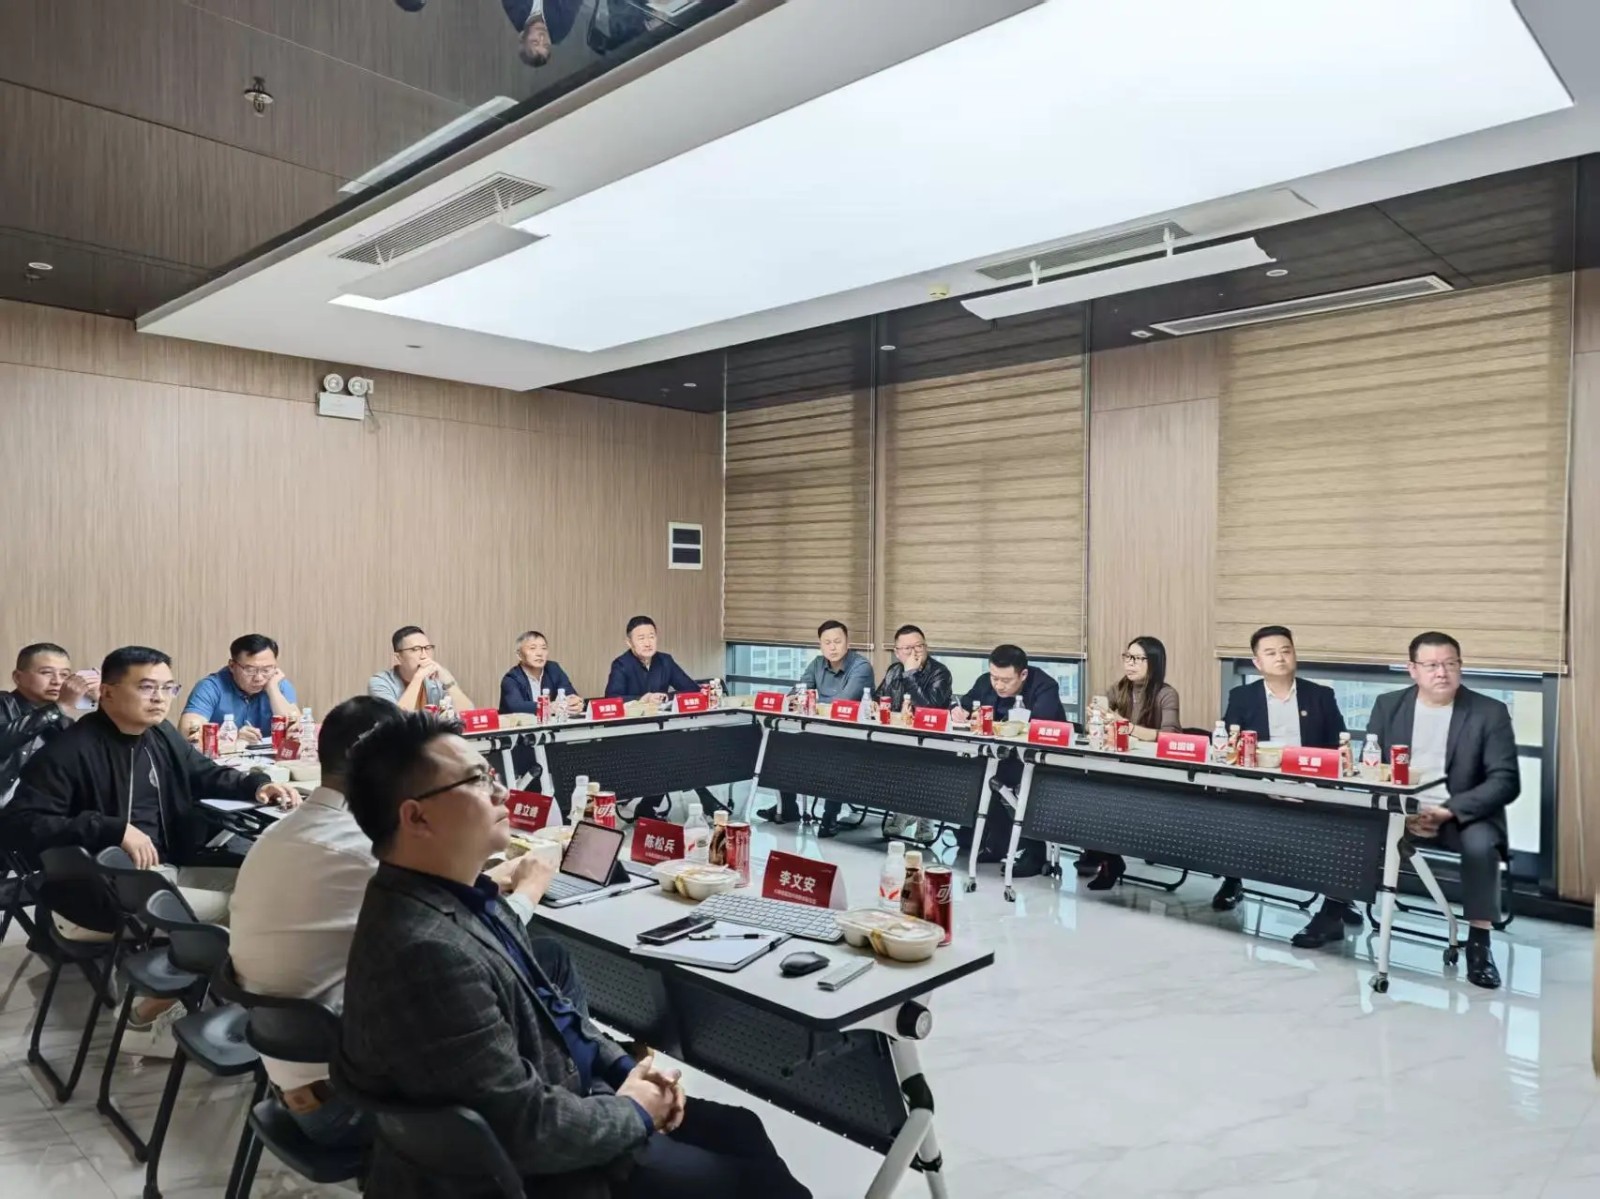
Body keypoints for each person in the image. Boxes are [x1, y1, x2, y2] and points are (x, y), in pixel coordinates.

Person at [335, 713, 810, 1198]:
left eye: (492, 775)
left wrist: (627, 1072)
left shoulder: (462, 897)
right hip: (548, 1169)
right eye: (477, 780)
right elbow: (526, 1129)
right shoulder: (426, 951)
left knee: (742, 1128)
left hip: (570, 1100)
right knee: (749, 1183)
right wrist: (636, 1110)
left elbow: (559, 1015)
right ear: (416, 817)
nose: (501, 792)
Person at [230, 695, 561, 1149]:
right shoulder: (367, 849)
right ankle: (566, 1112)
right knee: (544, 960)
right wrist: (527, 890)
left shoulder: (280, 832)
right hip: (354, 1107)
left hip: (294, 1082)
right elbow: (481, 939)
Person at [3, 646, 299, 1056]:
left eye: (168, 688)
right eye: (146, 687)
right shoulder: (71, 750)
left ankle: (214, 1002)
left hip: (162, 868)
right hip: (103, 888)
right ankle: (146, 1016)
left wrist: (256, 785)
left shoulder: (159, 735)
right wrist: (111, 828)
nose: (160, 698)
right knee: (252, 910)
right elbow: (21, 823)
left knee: (269, 888)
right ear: (107, 692)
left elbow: (203, 773)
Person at [1291, 632, 1518, 989]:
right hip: (1401, 810)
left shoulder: (1489, 711)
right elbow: (1372, 768)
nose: (1442, 672)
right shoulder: (1389, 705)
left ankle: (1479, 942)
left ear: (1460, 666)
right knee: (1348, 828)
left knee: (1482, 844)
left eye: (1450, 664)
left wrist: (1446, 811)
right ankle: (1333, 911)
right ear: (1412, 669)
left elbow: (1504, 780)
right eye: (1432, 665)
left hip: (1460, 814)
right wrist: (1402, 812)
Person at [1211, 625, 1348, 911]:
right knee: (1228, 804)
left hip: (1310, 782)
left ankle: (1338, 899)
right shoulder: (1242, 696)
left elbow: (1337, 747)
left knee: (1346, 819)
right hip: (1260, 783)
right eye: (1271, 653)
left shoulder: (1320, 696)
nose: (1280, 658)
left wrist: (1309, 784)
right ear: (1257, 663)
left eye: (1286, 651)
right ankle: (1233, 879)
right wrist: (1267, 785)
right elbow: (1231, 748)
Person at [1080, 637, 1182, 891]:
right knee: (1089, 791)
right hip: (1119, 766)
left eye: (1137, 659)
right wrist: (1096, 719)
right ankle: (1106, 857)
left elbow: (1171, 737)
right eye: (1127, 657)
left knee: (1108, 796)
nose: (1129, 664)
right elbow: (1100, 729)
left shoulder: (1166, 694)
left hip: (1152, 771)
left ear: (1154, 662)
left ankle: (1102, 856)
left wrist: (1126, 726)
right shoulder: (1118, 689)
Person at [955, 645, 1064, 877]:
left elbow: (1039, 726)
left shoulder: (1045, 686)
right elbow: (964, 705)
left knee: (1013, 780)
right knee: (976, 776)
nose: (998, 685)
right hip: (1002, 756)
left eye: (1005, 680)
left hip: (1040, 760)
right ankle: (998, 844)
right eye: (994, 678)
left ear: (1023, 674)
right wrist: (959, 712)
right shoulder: (985, 682)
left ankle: (1035, 853)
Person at [756, 620, 874, 834]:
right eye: (827, 643)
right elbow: (797, 692)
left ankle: (830, 815)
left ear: (848, 643)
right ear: (820, 645)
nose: (833, 647)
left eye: (837, 641)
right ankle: (788, 807)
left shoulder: (861, 666)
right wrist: (798, 698)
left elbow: (844, 702)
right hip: (818, 731)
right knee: (782, 746)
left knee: (835, 755)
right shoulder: (817, 664)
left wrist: (812, 702)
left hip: (851, 736)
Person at [605, 616, 722, 819]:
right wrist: (642, 699)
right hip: (631, 733)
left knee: (682, 749)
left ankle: (650, 806)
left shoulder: (665, 661)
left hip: (661, 730)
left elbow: (691, 689)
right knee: (675, 753)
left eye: (651, 636)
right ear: (629, 642)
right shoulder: (621, 665)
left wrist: (667, 697)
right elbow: (611, 699)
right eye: (641, 638)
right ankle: (703, 798)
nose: (648, 642)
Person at [872, 625, 953, 838]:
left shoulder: (940, 672)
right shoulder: (893, 671)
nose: (914, 652)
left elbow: (930, 708)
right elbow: (879, 698)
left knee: (922, 765)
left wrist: (910, 674)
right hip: (898, 736)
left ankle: (925, 819)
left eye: (918, 646)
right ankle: (902, 812)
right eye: (907, 648)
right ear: (897, 652)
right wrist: (873, 705)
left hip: (932, 740)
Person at [1, 643, 98, 804]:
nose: (57, 681)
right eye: (46, 673)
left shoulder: (64, 721)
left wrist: (106, 704)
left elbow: (90, 756)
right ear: (18, 677)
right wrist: (60, 707)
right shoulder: (4, 703)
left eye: (65, 674)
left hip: (43, 810)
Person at [178, 634, 299, 748]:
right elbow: (187, 732)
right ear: (232, 666)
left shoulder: (278, 684)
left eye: (266, 670)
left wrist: (273, 689)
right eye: (250, 670)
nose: (259, 678)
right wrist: (231, 737)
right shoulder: (210, 687)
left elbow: (296, 728)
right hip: (220, 760)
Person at [368, 626, 476, 713]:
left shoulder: (437, 679)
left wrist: (449, 682)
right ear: (398, 657)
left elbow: (468, 714)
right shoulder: (380, 682)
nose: (424, 655)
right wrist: (418, 677)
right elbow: (397, 721)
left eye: (428, 648)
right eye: (415, 649)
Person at [499, 631, 583, 716]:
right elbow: (516, 707)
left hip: (550, 723)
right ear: (519, 655)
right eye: (532, 648)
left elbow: (570, 694)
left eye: (544, 648)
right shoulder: (511, 678)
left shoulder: (553, 669)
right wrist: (550, 707)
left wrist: (575, 704)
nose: (539, 653)